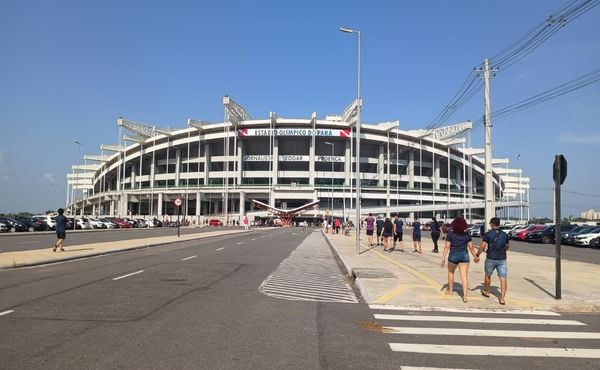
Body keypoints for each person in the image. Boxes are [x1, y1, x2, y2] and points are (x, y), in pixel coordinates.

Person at [441, 216, 479, 303]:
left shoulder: (450, 234)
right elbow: (471, 247)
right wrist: (475, 257)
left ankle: (450, 291)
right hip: (464, 256)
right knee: (464, 276)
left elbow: (447, 247)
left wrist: (443, 258)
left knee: (451, 273)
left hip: (453, 255)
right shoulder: (467, 234)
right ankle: (465, 296)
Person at [476, 217, 510, 305]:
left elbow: (482, 246)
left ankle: (487, 292)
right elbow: (507, 246)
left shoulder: (488, 234)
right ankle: (502, 298)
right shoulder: (504, 235)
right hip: (502, 259)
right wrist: (502, 251)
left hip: (490, 258)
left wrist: (477, 254)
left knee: (488, 275)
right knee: (503, 278)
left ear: (492, 224)